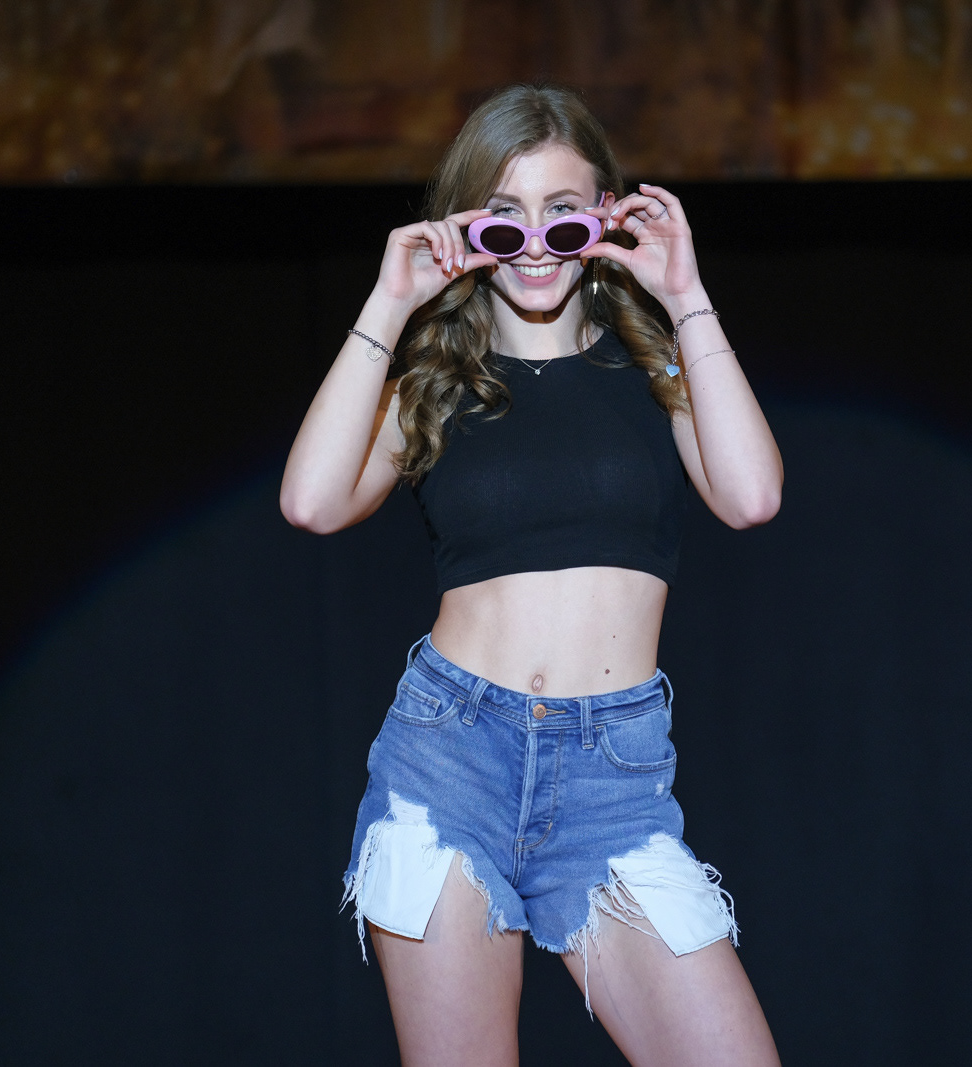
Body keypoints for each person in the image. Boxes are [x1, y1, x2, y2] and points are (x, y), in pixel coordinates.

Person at [279, 84, 784, 1066]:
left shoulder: (658, 371)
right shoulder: (433, 388)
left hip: (614, 782)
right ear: (468, 229)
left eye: (564, 212)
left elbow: (752, 495)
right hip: (448, 762)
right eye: (505, 216)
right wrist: (389, 302)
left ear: (606, 216)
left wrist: (686, 297)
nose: (538, 243)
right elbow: (310, 502)